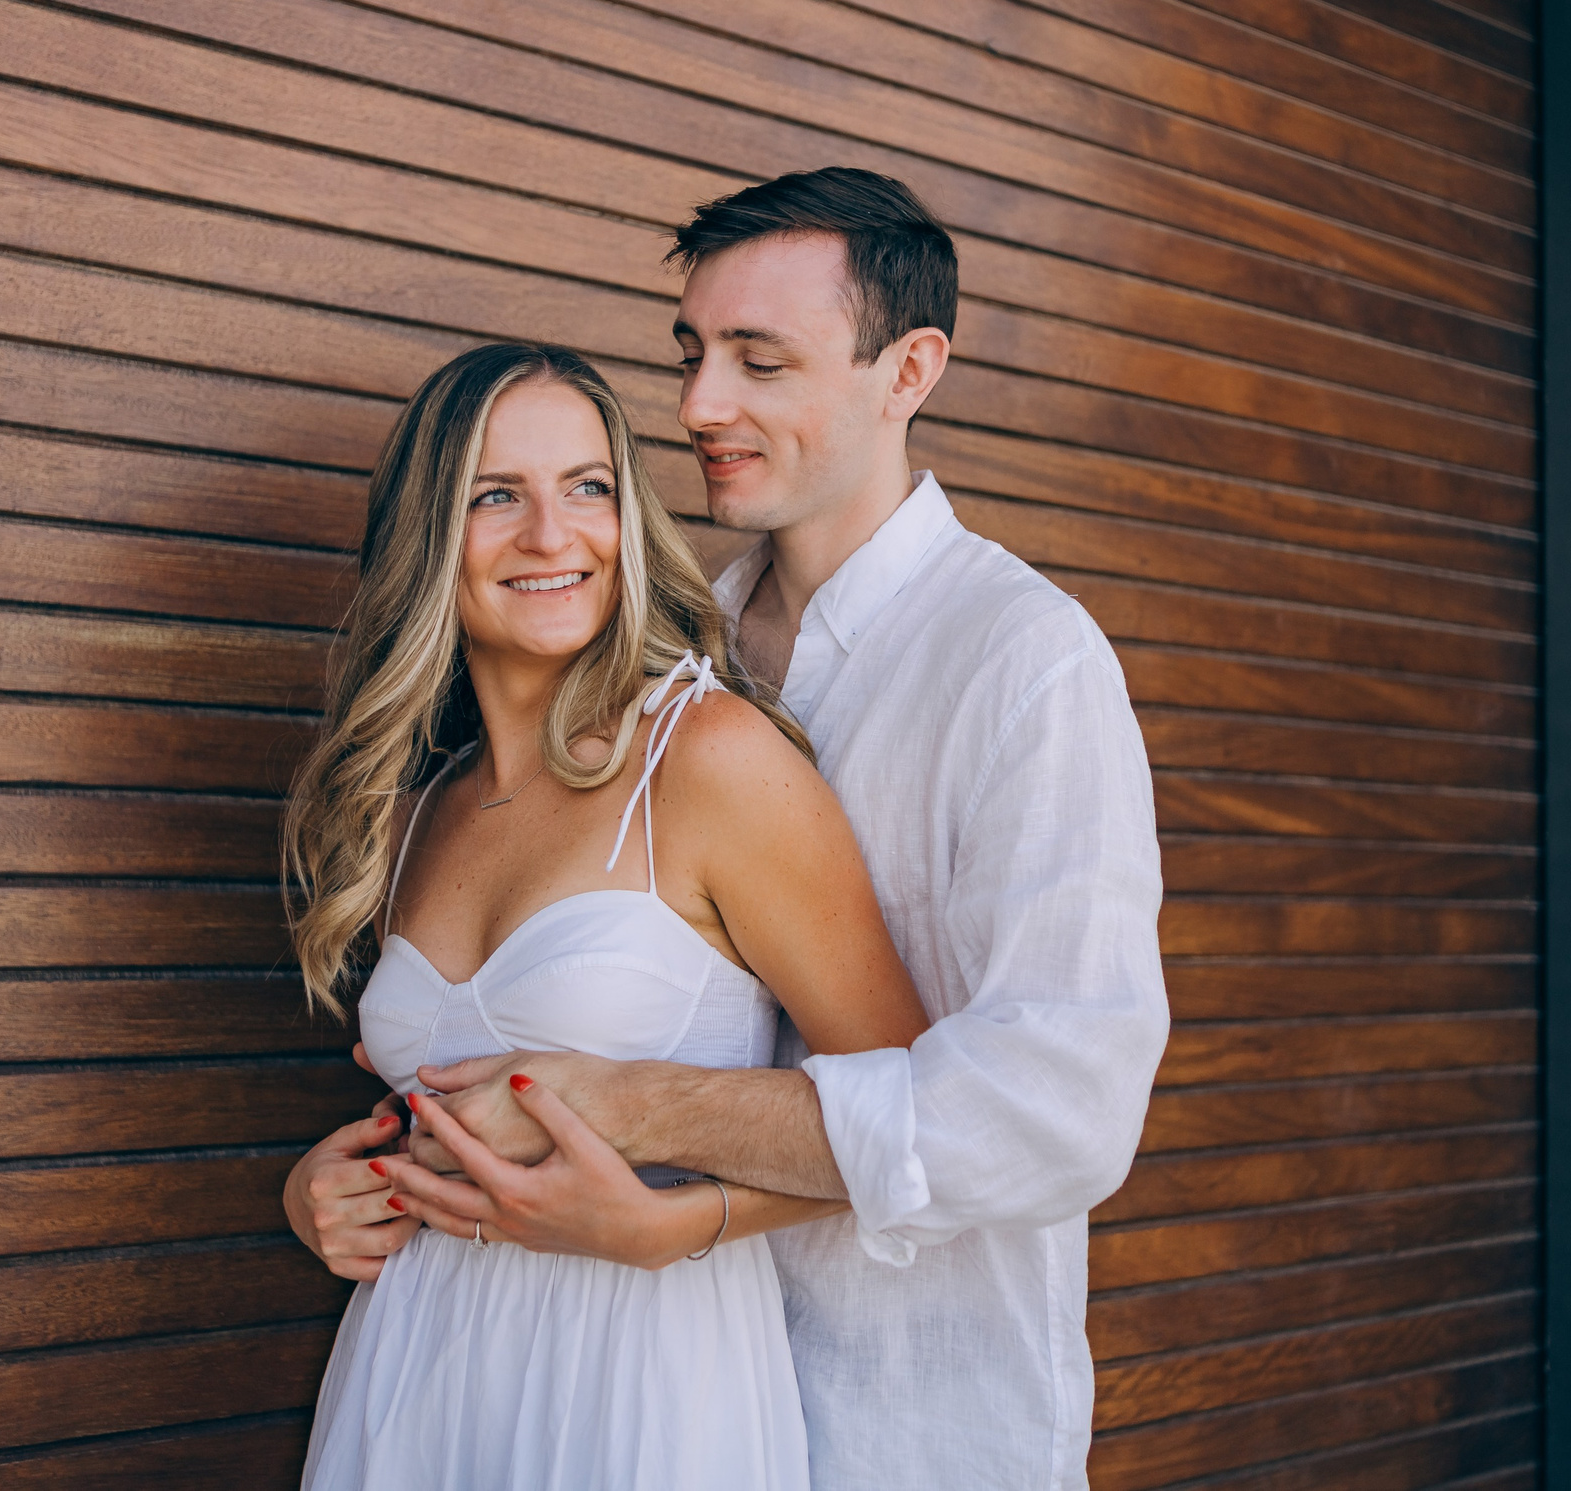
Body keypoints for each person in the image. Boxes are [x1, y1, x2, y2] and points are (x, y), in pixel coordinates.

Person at [294, 168, 1171, 1488]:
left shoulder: (1023, 661)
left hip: (898, 1406)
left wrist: (675, 1189)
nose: (699, 407)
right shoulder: (652, 639)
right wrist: (363, 1171)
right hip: (531, 1377)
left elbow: (1063, 1101)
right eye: (692, 354)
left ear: (910, 368)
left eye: (760, 360)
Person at [281, 341, 930, 1488]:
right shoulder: (412, 809)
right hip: (419, 1364)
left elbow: (914, 1111)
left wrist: (690, 1221)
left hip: (645, 1375)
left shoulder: (710, 757)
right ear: (430, 539)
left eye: (588, 488)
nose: (551, 534)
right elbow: (442, 1113)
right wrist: (326, 1194)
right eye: (496, 496)